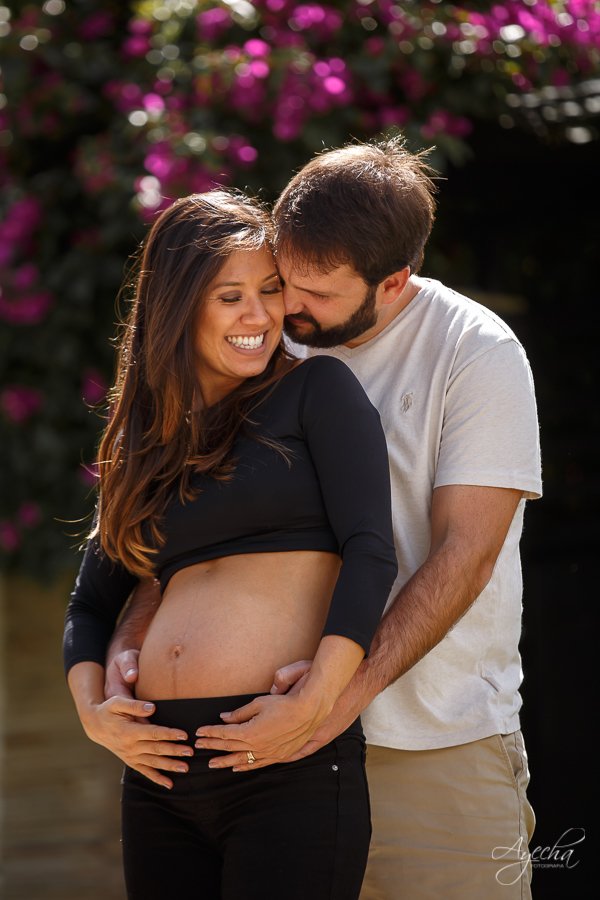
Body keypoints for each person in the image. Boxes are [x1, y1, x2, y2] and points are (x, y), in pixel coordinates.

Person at [107, 138, 542, 899]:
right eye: (281, 280)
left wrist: (332, 702)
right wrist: (131, 639)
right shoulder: (262, 342)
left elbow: (466, 553)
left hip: (431, 743)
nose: (286, 309)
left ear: (395, 281)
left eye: (313, 293)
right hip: (271, 759)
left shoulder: (476, 351)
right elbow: (195, 524)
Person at [63, 190, 399, 900]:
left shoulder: (317, 391)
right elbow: (90, 605)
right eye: (231, 296)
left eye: (269, 291)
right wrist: (95, 718)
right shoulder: (146, 446)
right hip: (156, 777)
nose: (260, 316)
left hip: (282, 760)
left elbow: (371, 549)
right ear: (179, 306)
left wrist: (319, 698)